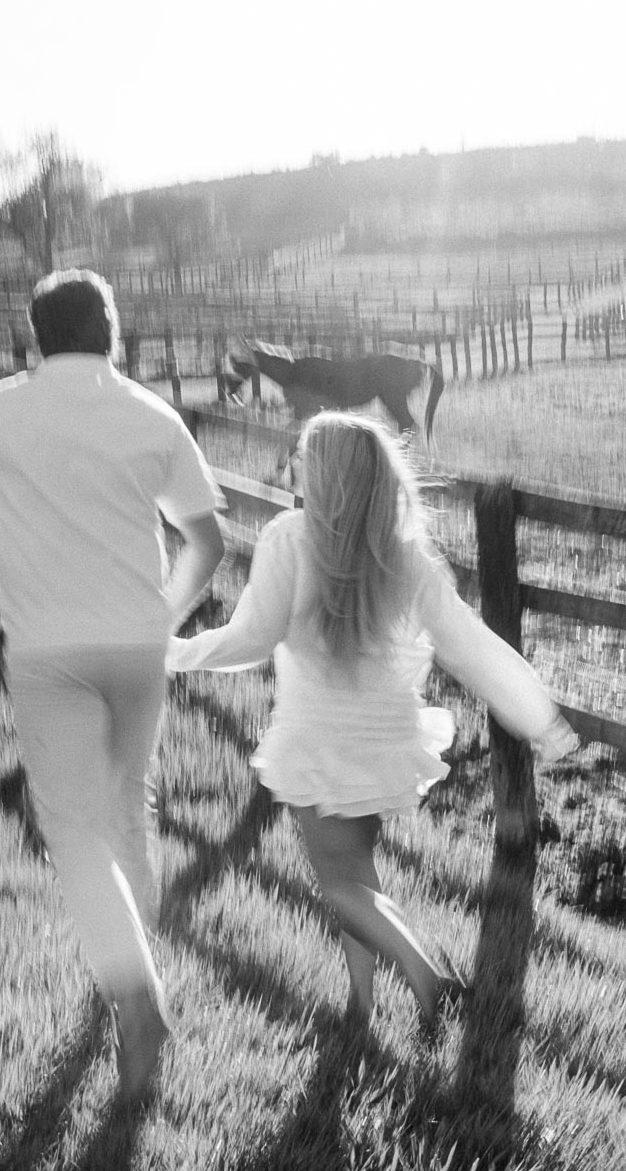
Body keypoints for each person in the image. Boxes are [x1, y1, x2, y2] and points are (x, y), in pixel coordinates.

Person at [0, 270, 225, 1102]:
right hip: (137, 643)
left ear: (35, 334)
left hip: (48, 644)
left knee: (73, 829)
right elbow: (208, 541)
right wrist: (165, 611)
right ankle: (132, 976)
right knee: (126, 810)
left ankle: (134, 999)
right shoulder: (154, 415)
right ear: (112, 331)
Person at [167, 410, 578, 1029]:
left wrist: (175, 653)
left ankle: (427, 975)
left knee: (337, 882)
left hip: (316, 740)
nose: (295, 466)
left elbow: (252, 639)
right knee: (356, 876)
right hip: (385, 742)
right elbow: (474, 647)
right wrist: (538, 717)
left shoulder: (289, 538)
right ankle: (361, 1004)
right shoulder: (408, 556)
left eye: (303, 457)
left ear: (325, 474)